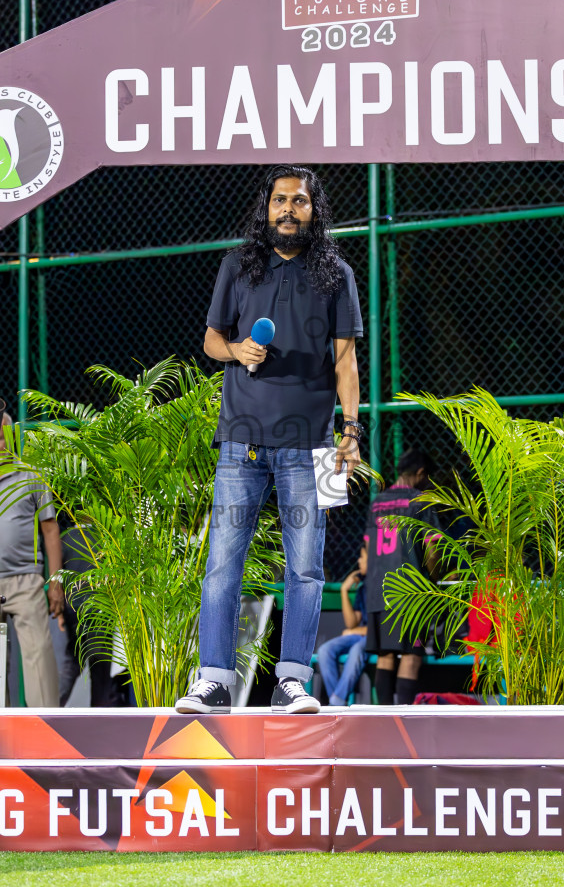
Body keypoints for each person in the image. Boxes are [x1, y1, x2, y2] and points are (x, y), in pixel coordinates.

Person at [176, 165, 363, 716]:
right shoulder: (237, 265)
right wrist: (236, 351)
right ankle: (213, 681)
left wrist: (350, 432)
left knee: (306, 568)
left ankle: (292, 682)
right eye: (280, 200)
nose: (288, 209)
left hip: (315, 446)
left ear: (314, 209)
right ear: (266, 208)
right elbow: (211, 339)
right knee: (223, 564)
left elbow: (346, 359)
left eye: (299, 201)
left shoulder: (337, 274)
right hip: (241, 440)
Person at [0, 413, 64, 708]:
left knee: (39, 654)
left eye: (3, 436)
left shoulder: (31, 474)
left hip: (26, 579)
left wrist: (55, 582)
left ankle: (47, 724)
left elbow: (50, 530)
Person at [363, 448, 437, 706]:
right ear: (419, 473)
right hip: (408, 591)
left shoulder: (378, 502)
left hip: (377, 590)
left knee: (386, 655)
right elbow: (433, 549)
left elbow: (367, 548)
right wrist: (434, 576)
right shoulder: (420, 500)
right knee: (411, 655)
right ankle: (404, 726)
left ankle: (384, 722)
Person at [53, 519, 131, 707]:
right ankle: (100, 712)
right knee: (100, 666)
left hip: (74, 610)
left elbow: (61, 579)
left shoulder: (66, 539)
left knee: (72, 662)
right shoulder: (105, 538)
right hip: (100, 609)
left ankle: (52, 706)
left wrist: (62, 613)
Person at [317, 546, 370, 707]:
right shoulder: (363, 589)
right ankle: (338, 700)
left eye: (362, 557)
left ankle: (337, 701)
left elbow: (382, 627)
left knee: (356, 650)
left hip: (375, 637)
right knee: (325, 650)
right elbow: (351, 623)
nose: (358, 561)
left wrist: (355, 631)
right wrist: (343, 591)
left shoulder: (383, 585)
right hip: (361, 634)